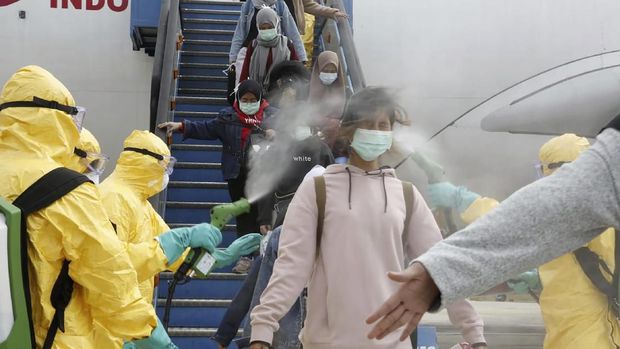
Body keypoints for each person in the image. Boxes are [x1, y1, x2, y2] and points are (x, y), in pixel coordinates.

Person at [249, 87, 486, 349]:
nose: (375, 131)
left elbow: (442, 266)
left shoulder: (406, 195)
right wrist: (263, 328)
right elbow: (291, 267)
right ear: (348, 130)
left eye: (382, 125)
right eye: (367, 124)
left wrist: (474, 333)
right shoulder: (317, 190)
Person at [366, 116, 620, 343]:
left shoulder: (589, 210)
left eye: (543, 170)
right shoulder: (589, 218)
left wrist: (460, 198)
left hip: (590, 336)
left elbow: (528, 224)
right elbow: (587, 270)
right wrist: (539, 279)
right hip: (569, 333)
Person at [0, 65, 161, 348]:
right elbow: (105, 269)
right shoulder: (66, 188)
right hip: (52, 337)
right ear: (55, 120)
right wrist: (140, 324)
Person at [158, 79, 277, 273]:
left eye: (253, 99)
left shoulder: (273, 117)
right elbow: (205, 128)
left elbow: (292, 132)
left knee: (265, 216)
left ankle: (266, 257)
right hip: (237, 175)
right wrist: (180, 126)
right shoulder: (228, 118)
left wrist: (277, 133)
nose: (249, 102)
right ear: (238, 99)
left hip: (265, 175)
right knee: (244, 216)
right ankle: (246, 258)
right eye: (245, 99)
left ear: (260, 99)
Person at [230, 0, 307, 85]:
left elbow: (292, 31)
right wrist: (233, 57)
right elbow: (240, 33)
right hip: (252, 50)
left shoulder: (280, 5)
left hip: (276, 50)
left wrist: (302, 57)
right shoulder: (248, 5)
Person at [309, 50, 347, 151]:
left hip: (335, 143)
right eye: (325, 71)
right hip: (311, 138)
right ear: (318, 70)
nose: (329, 75)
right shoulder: (307, 89)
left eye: (333, 72)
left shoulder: (342, 91)